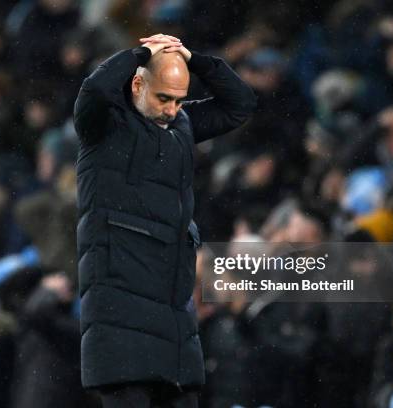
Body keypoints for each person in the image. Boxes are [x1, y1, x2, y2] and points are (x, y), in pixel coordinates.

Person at [73, 33, 256, 407]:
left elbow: (240, 105)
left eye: (179, 99)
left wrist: (196, 60)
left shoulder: (181, 125)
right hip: (120, 324)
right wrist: (141, 53)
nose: (172, 109)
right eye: (163, 98)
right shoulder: (102, 127)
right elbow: (94, 90)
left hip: (175, 326)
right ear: (138, 83)